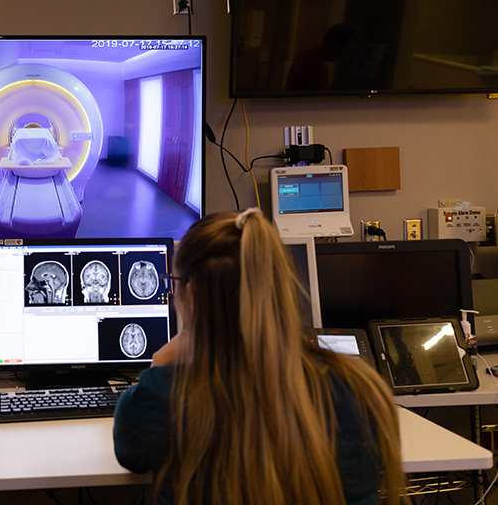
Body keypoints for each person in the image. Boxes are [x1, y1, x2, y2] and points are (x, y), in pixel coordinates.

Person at [113, 209, 405, 505]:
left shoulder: (164, 396)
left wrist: (159, 368)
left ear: (191, 292)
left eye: (172, 280)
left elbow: (132, 454)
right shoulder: (361, 388)